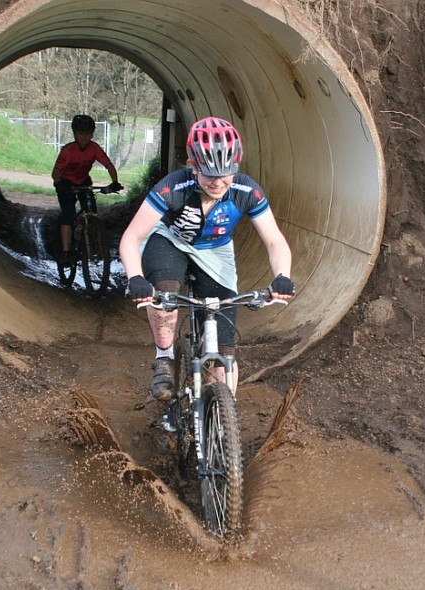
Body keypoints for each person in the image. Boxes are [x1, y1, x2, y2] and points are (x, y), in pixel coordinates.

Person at [119, 116, 294, 400]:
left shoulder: (246, 191)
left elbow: (274, 240)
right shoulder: (173, 187)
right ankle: (164, 357)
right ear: (192, 165)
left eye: (226, 173)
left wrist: (282, 276)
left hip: (216, 250)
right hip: (171, 241)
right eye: (209, 174)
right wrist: (136, 278)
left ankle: (223, 420)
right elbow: (131, 238)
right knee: (166, 294)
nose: (218, 182)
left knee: (225, 355)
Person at [51, 114, 122, 265]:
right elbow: (55, 172)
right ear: (75, 134)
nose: (84, 137)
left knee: (91, 211)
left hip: (83, 181)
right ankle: (65, 251)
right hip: (65, 183)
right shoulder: (68, 150)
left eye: (87, 134)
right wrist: (59, 183)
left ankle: (89, 236)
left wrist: (114, 182)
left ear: (92, 134)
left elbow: (108, 165)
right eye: (80, 134)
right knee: (68, 215)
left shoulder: (94, 148)